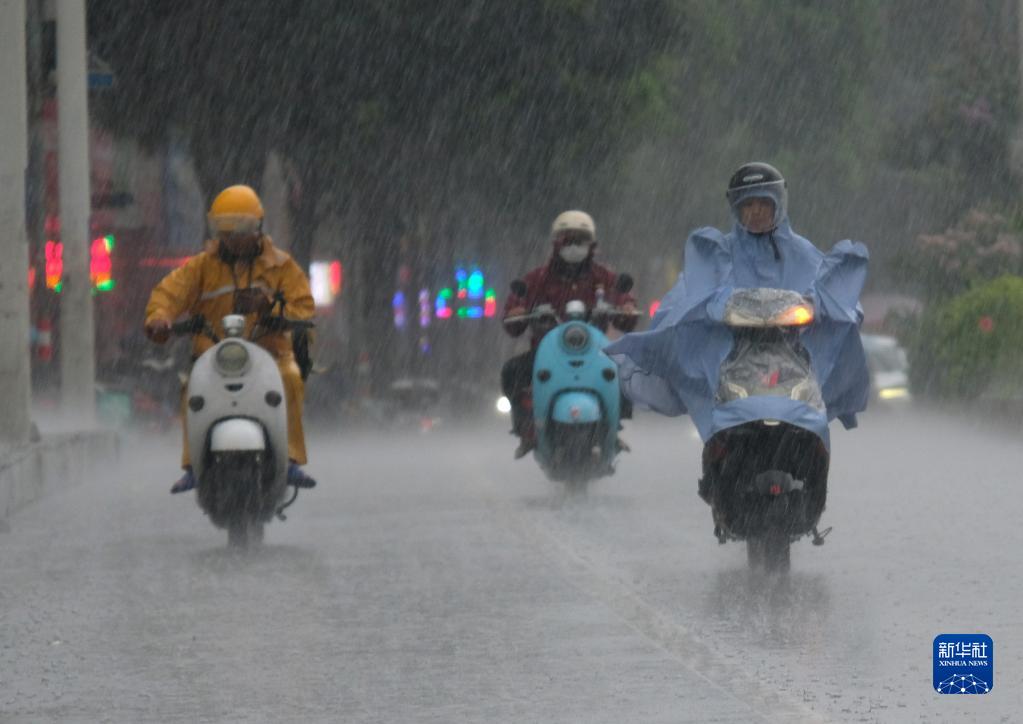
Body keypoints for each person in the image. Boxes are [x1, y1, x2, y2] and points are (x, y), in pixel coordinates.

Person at [605, 161, 869, 501]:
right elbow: (685, 297)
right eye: (748, 206)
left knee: (811, 413)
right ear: (736, 209)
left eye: (763, 204)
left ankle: (813, 481)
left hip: (792, 360)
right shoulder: (717, 254)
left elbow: (839, 298)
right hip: (731, 359)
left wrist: (824, 307)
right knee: (717, 405)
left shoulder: (803, 253)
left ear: (778, 205)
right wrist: (705, 308)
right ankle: (719, 475)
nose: (756, 213)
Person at [144, 184, 318, 493]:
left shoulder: (282, 266)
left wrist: (270, 308)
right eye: (226, 231)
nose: (234, 239)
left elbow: (304, 308)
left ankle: (290, 458)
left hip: (270, 356)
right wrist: (160, 317)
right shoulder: (201, 267)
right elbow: (169, 293)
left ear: (258, 228)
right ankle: (193, 464)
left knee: (290, 378)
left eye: (242, 230)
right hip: (213, 358)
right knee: (191, 390)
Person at [501, 210, 638, 458]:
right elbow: (513, 318)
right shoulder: (537, 279)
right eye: (567, 239)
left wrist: (626, 306)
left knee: (627, 370)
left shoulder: (605, 277)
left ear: (592, 244)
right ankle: (526, 430)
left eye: (580, 239)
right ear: (556, 243)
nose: (573, 246)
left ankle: (614, 424)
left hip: (597, 353)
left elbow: (625, 306)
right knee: (512, 371)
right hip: (546, 353)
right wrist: (517, 309)